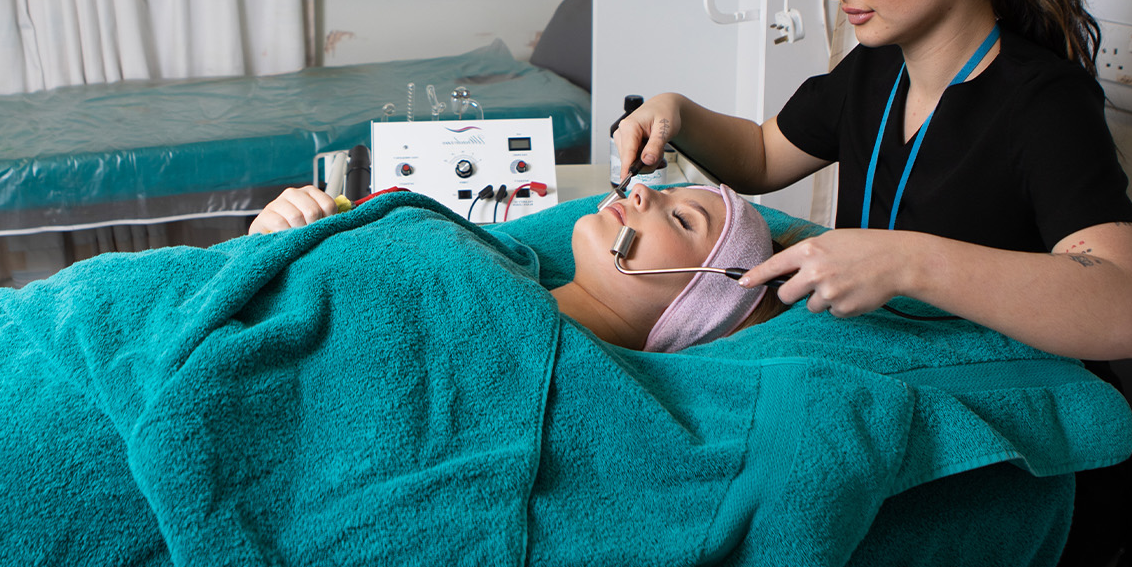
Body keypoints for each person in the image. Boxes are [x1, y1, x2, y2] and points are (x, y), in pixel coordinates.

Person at [611, 0, 1132, 362]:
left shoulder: (1045, 102)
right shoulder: (876, 67)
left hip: (1006, 400)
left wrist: (906, 263)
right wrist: (676, 112)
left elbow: (1126, 313)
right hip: (884, 369)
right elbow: (761, 156)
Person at [250, 182, 786, 352]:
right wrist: (274, 238)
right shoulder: (510, 261)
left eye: (683, 220)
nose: (644, 191)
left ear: (695, 302)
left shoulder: (551, 362)